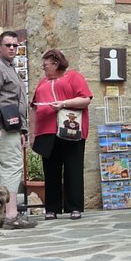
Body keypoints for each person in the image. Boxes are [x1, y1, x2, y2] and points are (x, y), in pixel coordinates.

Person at [0, 30, 36, 229]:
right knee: (12, 168)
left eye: (15, 45)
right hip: (2, 128)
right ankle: (11, 215)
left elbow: (15, 101)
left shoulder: (9, 67)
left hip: (10, 127)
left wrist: (21, 130)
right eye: (8, 45)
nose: (12, 48)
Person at [30, 49, 94, 219]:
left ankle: (74, 207)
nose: (43, 68)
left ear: (56, 63)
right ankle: (52, 208)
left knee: (73, 168)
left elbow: (85, 99)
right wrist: (32, 133)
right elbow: (34, 108)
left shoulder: (74, 77)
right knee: (50, 170)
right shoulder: (42, 82)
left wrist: (63, 104)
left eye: (46, 65)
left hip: (71, 129)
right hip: (46, 131)